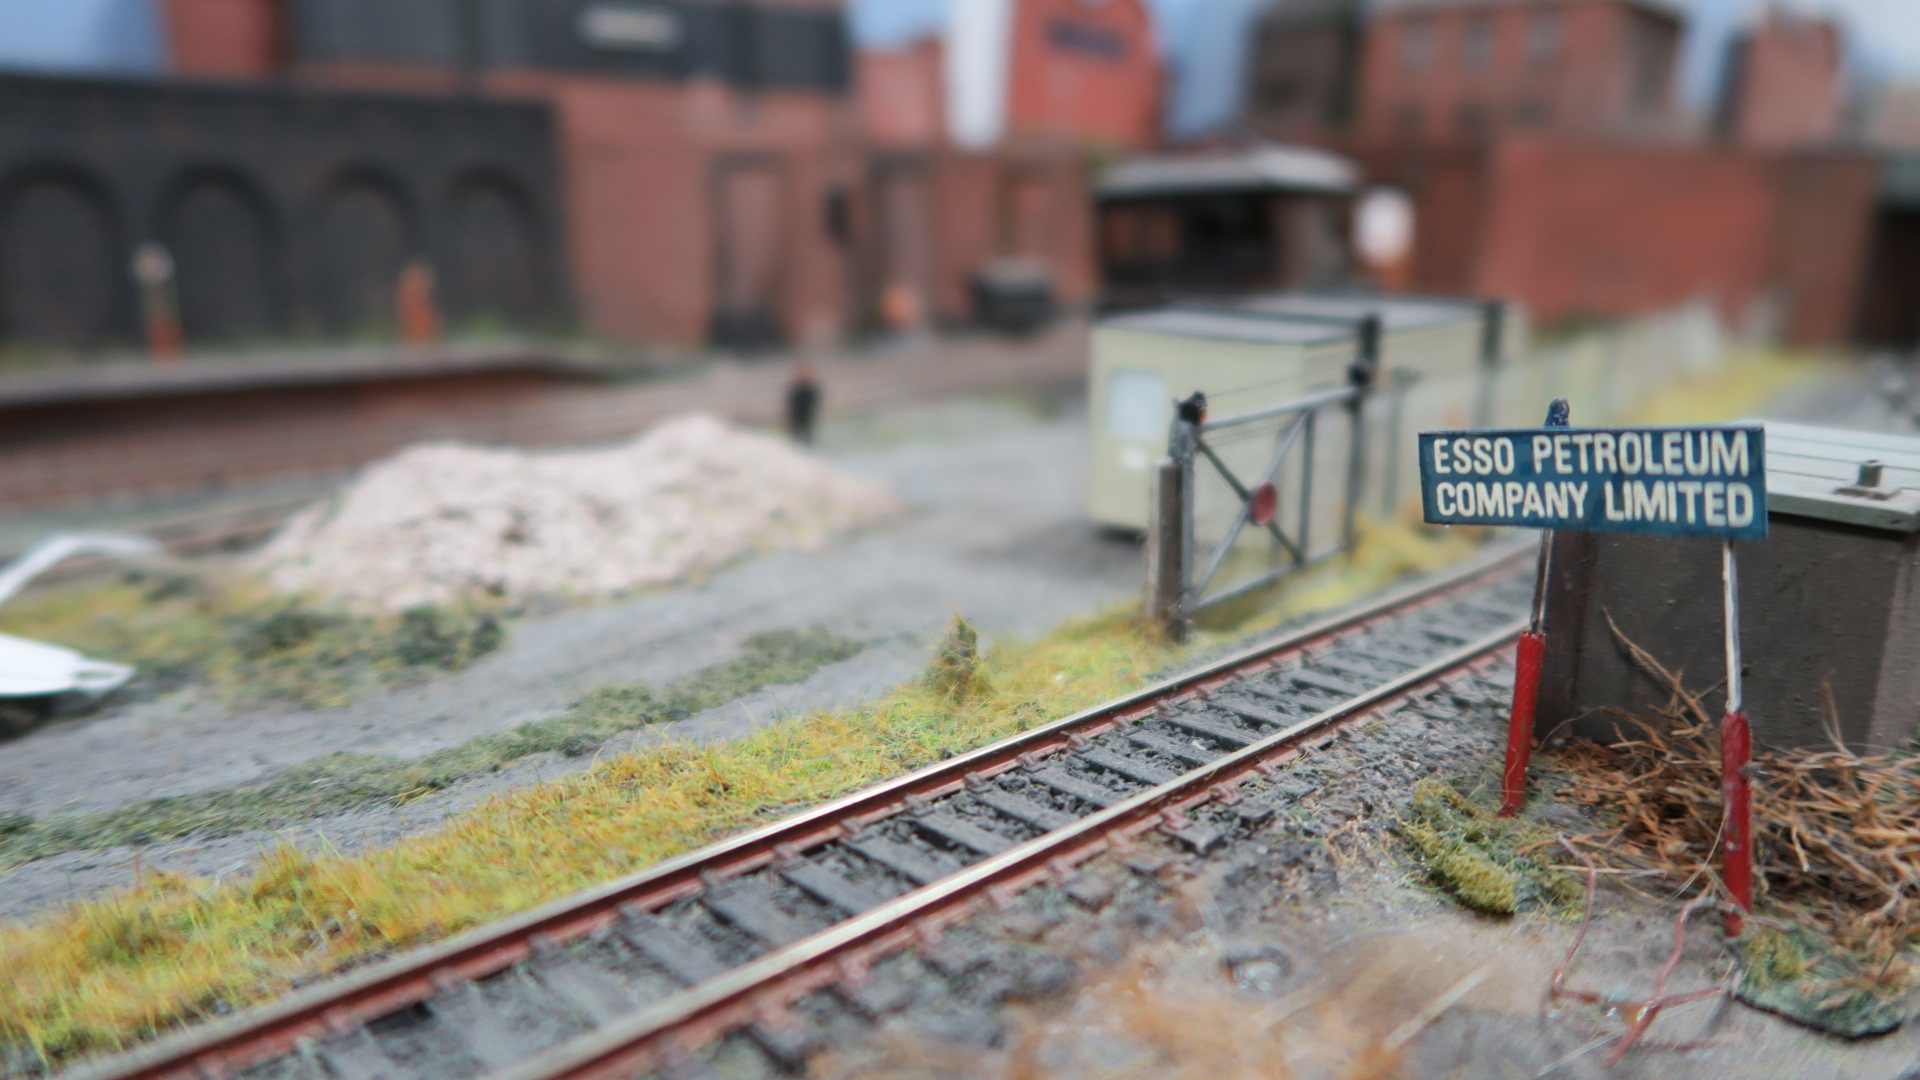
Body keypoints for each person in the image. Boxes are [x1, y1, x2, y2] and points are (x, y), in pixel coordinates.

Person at [787, 361, 821, 445]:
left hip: (807, 417)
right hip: (796, 418)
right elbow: (791, 404)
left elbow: (815, 402)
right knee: (795, 439)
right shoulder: (796, 389)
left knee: (808, 438)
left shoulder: (811, 389)